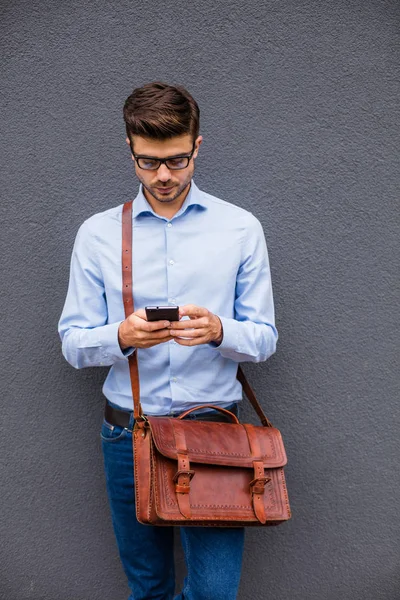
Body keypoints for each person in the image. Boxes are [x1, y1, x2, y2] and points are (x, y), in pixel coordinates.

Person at [58, 81, 278, 600]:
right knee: (149, 588)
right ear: (129, 148)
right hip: (127, 432)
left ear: (197, 146)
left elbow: (265, 338)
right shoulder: (97, 234)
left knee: (215, 592)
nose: (162, 176)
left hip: (213, 432)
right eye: (148, 161)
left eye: (177, 161)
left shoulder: (240, 229)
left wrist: (221, 331)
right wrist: (122, 336)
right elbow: (72, 343)